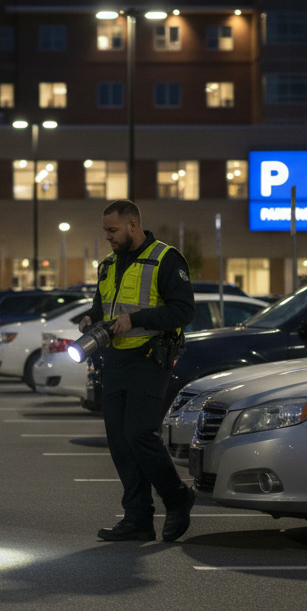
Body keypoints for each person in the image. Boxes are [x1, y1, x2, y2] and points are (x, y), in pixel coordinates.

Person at [79, 200, 196, 543]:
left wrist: (137, 319)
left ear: (133, 226)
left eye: (112, 230)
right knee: (118, 441)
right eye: (105, 232)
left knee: (139, 435)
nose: (108, 238)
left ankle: (177, 498)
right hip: (116, 359)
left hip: (149, 357)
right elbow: (103, 306)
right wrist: (91, 317)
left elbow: (183, 311)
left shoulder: (165, 258)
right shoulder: (109, 265)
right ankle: (137, 518)